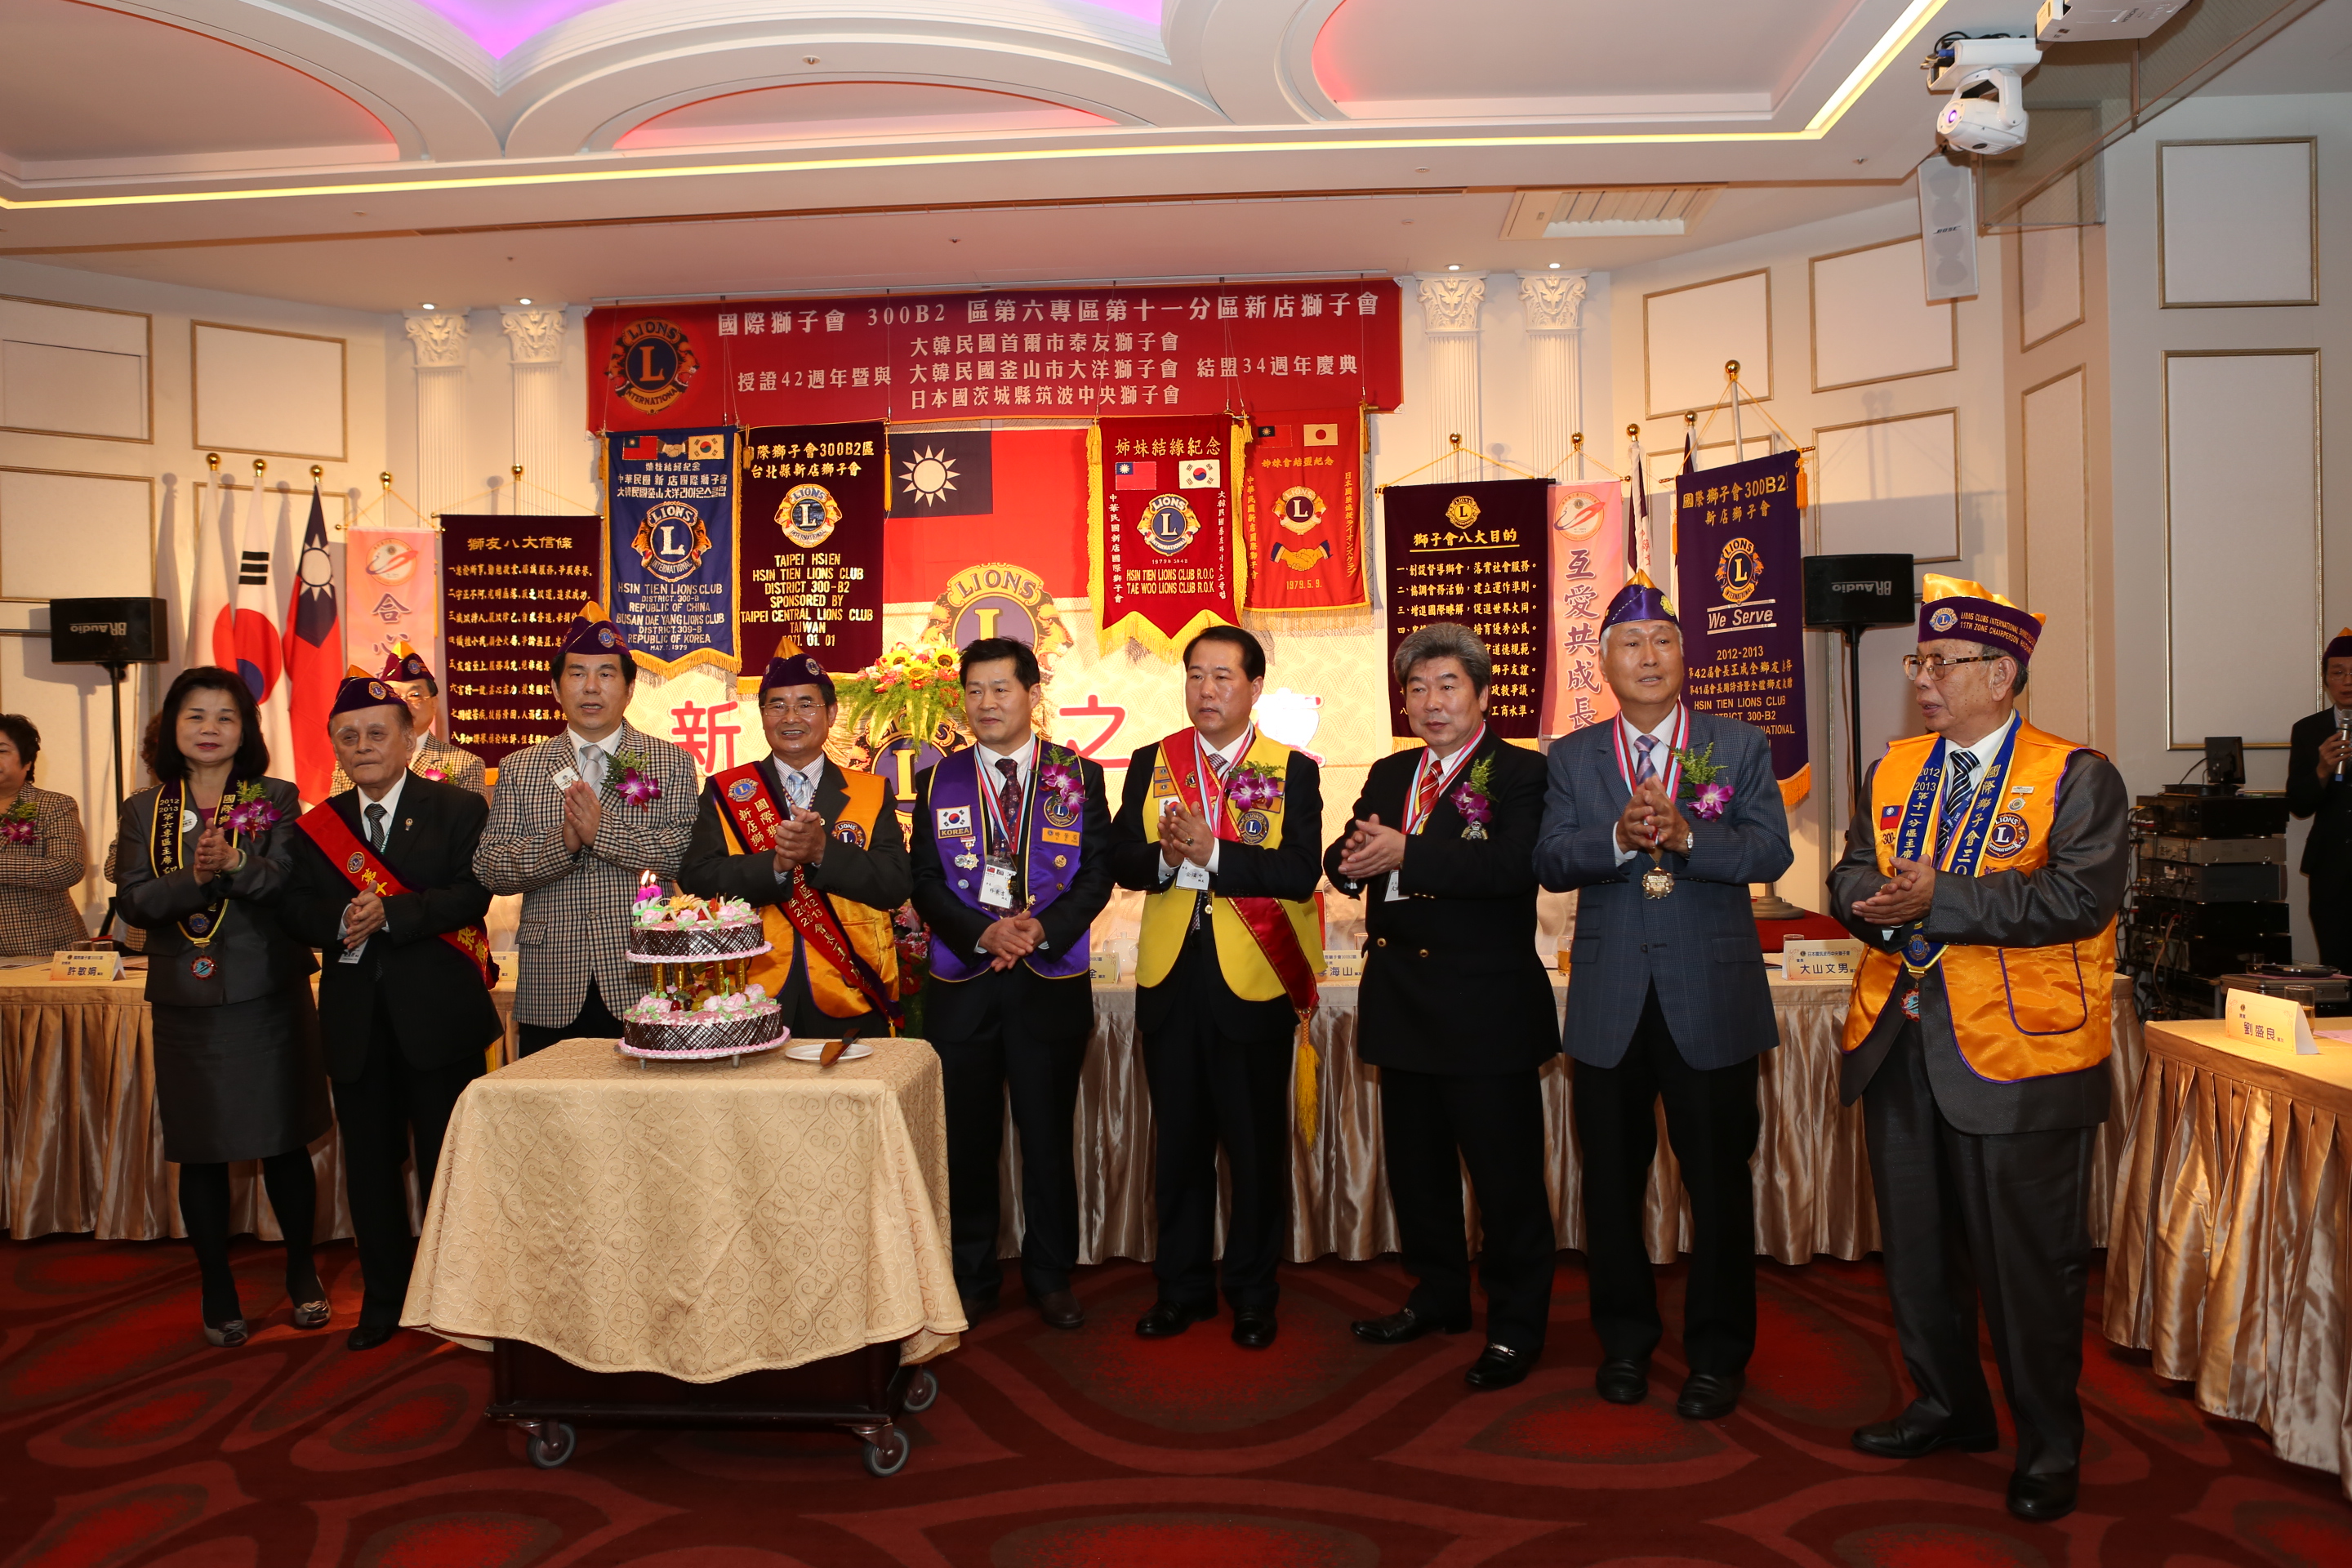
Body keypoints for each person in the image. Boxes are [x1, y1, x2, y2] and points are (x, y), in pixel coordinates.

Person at [1829, 575, 2128, 1525]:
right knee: (1918, 1253)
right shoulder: (1893, 769)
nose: (1923, 680)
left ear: (2001, 676)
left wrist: (1942, 899)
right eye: (1918, 662)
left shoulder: (2076, 776)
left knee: (2027, 1265)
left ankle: (2049, 1444)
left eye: (1942, 664)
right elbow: (1851, 868)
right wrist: (1867, 903)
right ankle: (1946, 1405)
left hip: (2020, 1058)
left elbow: (2078, 898)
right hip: (1899, 1043)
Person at [1533, 573, 1791, 1422]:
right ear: (1604, 663)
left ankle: (1718, 1355)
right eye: (1631, 644)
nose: (1649, 656)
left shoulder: (1737, 743)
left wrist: (1691, 837)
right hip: (1610, 999)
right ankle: (1625, 1342)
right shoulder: (1572, 757)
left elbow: (1770, 852)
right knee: (1611, 1185)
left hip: (1711, 996)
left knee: (1718, 1185)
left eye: (1664, 641)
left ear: (1685, 656)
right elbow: (1550, 860)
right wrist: (1616, 837)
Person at [1328, 624, 1560, 1390]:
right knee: (1418, 1172)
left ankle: (1516, 1326)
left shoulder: (1522, 772)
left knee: (1505, 1180)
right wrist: (1349, 860)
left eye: (1448, 686)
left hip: (1485, 1010)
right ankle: (1438, 1295)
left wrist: (1407, 852)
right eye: (1418, 689)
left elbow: (1512, 865)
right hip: (1403, 1002)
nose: (1431, 702)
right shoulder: (1393, 771)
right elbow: (1350, 850)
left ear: (1483, 695)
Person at [1108, 626, 1321, 1348]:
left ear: (1255, 687)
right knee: (1179, 1148)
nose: (1206, 690)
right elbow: (1120, 858)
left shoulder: (1291, 770)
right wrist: (1167, 861)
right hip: (1172, 982)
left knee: (1255, 1152)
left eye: (1223, 676)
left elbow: (1299, 872)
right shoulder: (1153, 761)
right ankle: (1182, 1289)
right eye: (1195, 675)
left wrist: (1216, 852)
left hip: (1253, 984)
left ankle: (1254, 1294)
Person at [278, 675, 501, 1352]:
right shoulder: (317, 828)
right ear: (335, 749)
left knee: (447, 1165)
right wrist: (338, 917)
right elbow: (293, 908)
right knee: (371, 1171)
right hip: (356, 1024)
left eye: (378, 733)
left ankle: (457, 1297)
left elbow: (472, 893)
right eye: (348, 737)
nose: (363, 746)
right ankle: (383, 1299)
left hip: (439, 1019)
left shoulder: (458, 807)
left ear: (409, 739)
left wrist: (393, 913)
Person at [114, 667, 331, 1347]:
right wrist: (195, 877)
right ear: (172, 728)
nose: (209, 729)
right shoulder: (145, 809)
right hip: (187, 1004)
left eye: (225, 717)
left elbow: (289, 885)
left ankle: (301, 1270)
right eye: (195, 716)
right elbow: (134, 903)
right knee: (201, 1149)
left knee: (283, 1140)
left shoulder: (275, 797)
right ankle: (216, 1283)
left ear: (245, 731)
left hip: (267, 994)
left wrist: (237, 866)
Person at [910, 638, 1113, 1330]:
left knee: (1047, 1138)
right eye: (974, 691)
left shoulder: (1076, 775)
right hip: (963, 986)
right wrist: (983, 932)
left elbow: (1096, 873)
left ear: (1032, 694)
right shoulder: (938, 780)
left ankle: (1050, 1274)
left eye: (1001, 689)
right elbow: (925, 881)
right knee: (967, 1143)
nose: (987, 703)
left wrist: (1040, 929)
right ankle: (971, 1276)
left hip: (1047, 983)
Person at [474, 603, 697, 1054]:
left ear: (630, 688)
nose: (591, 687)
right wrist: (564, 843)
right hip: (551, 980)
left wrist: (603, 834)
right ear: (556, 689)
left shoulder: (670, 761)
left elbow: (683, 854)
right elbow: (491, 867)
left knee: (652, 1100)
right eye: (577, 674)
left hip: (644, 975)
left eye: (606, 674)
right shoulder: (521, 767)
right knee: (550, 1100)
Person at [677, 652, 911, 1041]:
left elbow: (895, 884)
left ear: (831, 713)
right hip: (751, 989)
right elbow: (697, 879)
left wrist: (822, 853)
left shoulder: (871, 790)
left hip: (851, 986)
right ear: (762, 715)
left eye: (806, 704)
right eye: (777, 706)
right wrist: (774, 866)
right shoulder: (727, 791)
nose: (790, 717)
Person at [330, 642, 489, 800]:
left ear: (434, 704)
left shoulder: (465, 763)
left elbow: (470, 815)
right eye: (396, 696)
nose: (405, 704)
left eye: (414, 695)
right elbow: (338, 813)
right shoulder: (356, 760)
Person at [2287, 628, 2352, 969]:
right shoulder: (2308, 730)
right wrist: (2323, 770)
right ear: (2326, 680)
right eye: (2337, 672)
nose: (2347, 681)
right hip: (2332, 870)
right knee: (2337, 965)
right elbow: (2298, 805)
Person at [0, 714, 91, 954]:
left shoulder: (53, 805)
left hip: (43, 946)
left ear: (28, 762)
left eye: (2, 750)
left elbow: (68, 867)